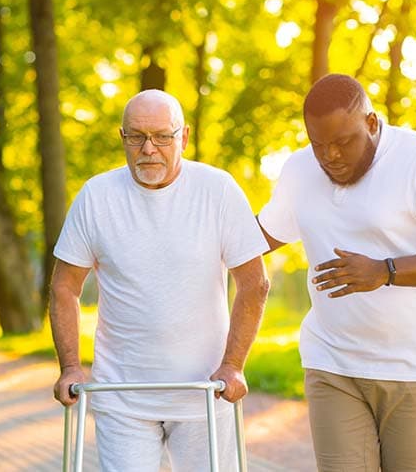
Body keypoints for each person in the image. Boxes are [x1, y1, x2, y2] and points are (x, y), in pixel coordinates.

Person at [257, 74, 416, 472]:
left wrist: (386, 271)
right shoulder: (298, 170)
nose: (330, 156)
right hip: (333, 363)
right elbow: (256, 237)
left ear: (372, 123)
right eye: (318, 145)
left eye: (343, 142)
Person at [49, 89, 270, 472]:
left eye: (162, 137)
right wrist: (70, 366)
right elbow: (64, 287)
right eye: (136, 136)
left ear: (183, 137)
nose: (148, 148)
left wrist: (233, 365)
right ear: (122, 138)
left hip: (205, 395)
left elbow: (254, 284)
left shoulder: (217, 190)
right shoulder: (96, 197)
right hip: (123, 396)